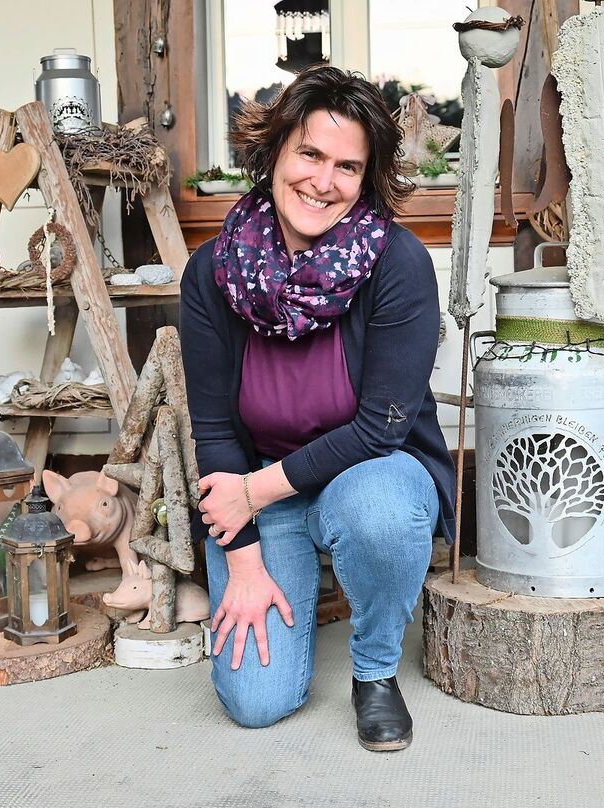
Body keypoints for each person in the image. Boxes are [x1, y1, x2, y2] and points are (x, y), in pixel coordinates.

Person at [179, 65, 454, 752]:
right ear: (275, 151)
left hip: (370, 473)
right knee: (256, 702)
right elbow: (212, 428)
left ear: (366, 178)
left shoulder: (397, 263)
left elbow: (382, 428)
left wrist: (253, 491)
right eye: (309, 153)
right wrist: (243, 562)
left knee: (380, 512)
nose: (323, 181)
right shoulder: (213, 272)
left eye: (347, 166)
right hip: (260, 487)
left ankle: (375, 672)